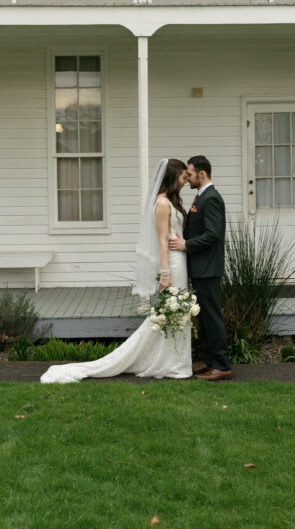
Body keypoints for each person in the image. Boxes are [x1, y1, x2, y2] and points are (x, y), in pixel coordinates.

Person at [40, 159, 192, 384]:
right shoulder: (162, 204)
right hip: (172, 263)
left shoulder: (170, 201)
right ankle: (171, 362)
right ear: (172, 177)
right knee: (172, 312)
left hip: (180, 259)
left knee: (178, 313)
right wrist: (165, 273)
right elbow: (162, 241)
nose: (185, 181)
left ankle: (173, 360)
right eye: (182, 177)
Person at [169, 155, 231, 381]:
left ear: (202, 174)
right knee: (204, 318)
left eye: (190, 174)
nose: (187, 178)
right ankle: (208, 359)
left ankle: (222, 365)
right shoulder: (202, 197)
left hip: (208, 268)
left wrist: (186, 245)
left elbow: (213, 234)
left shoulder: (211, 198)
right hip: (200, 268)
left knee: (212, 317)